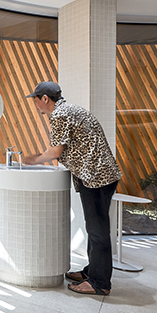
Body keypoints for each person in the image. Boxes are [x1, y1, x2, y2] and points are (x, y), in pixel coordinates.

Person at [23, 81, 122, 296]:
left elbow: (56, 151)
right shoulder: (72, 109)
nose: (36, 105)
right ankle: (91, 272)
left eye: (36, 100)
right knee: (94, 228)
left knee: (98, 231)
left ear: (45, 99)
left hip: (96, 176)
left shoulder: (59, 115)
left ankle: (100, 283)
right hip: (101, 174)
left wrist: (33, 159)